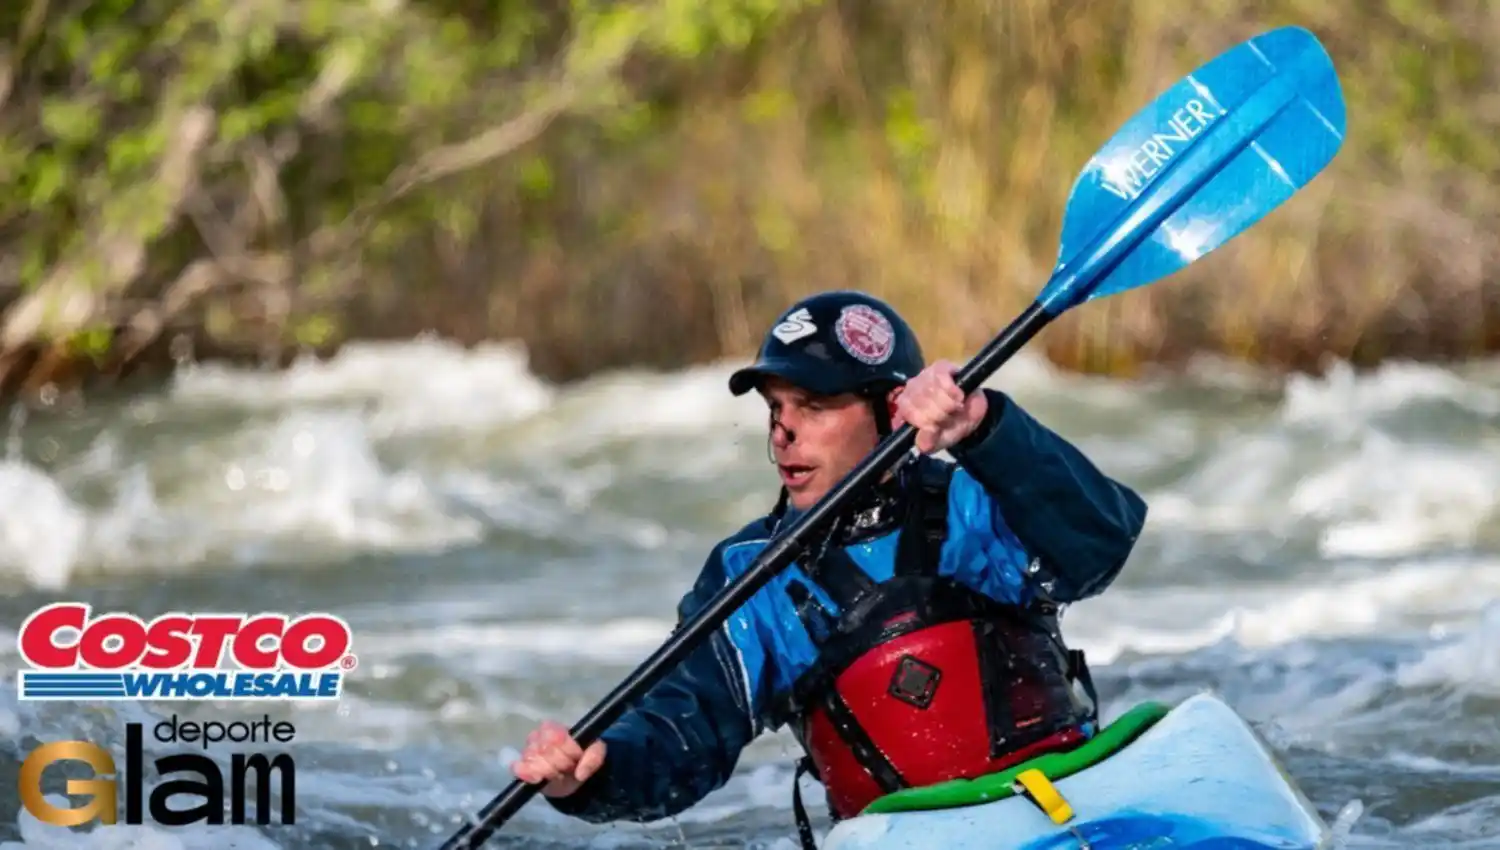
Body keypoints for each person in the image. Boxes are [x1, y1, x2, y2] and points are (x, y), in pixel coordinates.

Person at [510, 291, 1148, 847]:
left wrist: (985, 425)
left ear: (892, 409)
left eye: (813, 406)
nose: (784, 432)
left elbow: (1099, 545)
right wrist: (595, 773)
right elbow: (687, 728)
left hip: (1062, 804)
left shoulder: (975, 499)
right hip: (900, 836)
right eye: (776, 409)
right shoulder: (752, 578)